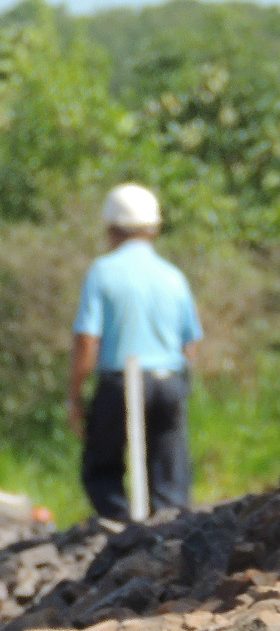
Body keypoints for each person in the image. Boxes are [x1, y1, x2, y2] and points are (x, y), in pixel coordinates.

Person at [69, 183, 200, 520]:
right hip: (169, 379)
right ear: (154, 228)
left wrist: (76, 395)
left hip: (120, 382)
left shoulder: (102, 272)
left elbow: (87, 339)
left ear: (111, 228)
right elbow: (190, 344)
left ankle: (120, 525)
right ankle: (169, 530)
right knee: (169, 470)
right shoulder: (173, 276)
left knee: (102, 467)